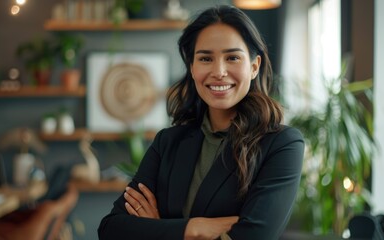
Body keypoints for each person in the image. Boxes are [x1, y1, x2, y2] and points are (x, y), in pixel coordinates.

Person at [98, 5, 304, 240]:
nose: (218, 71)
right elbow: (111, 229)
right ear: (192, 68)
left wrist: (159, 229)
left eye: (233, 57)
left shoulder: (281, 144)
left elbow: (255, 236)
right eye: (205, 58)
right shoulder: (168, 142)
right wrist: (195, 228)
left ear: (254, 67)